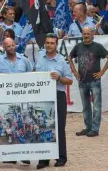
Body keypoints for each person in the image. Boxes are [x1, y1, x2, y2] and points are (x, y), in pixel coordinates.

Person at [35, 33, 73, 168]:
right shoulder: (40, 56)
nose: (49, 45)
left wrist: (59, 78)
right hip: (42, 95)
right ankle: (43, 159)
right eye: (47, 43)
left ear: (56, 45)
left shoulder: (62, 60)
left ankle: (61, 157)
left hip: (58, 95)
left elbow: (70, 80)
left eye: (51, 43)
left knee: (59, 127)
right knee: (42, 126)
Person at [68, 27, 108, 138]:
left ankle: (95, 129)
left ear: (92, 34)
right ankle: (88, 128)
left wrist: (102, 72)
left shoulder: (98, 47)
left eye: (88, 33)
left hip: (94, 82)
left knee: (96, 107)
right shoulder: (78, 47)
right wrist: (74, 71)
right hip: (82, 81)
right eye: (84, 34)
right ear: (82, 35)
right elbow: (69, 57)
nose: (86, 36)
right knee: (85, 107)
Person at [0, 37, 32, 165]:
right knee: (10, 131)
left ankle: (24, 155)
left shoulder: (24, 60)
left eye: (12, 45)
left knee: (22, 130)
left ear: (15, 45)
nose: (11, 47)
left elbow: (32, 75)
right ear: (3, 47)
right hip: (5, 100)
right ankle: (9, 155)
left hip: (21, 100)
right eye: (8, 46)